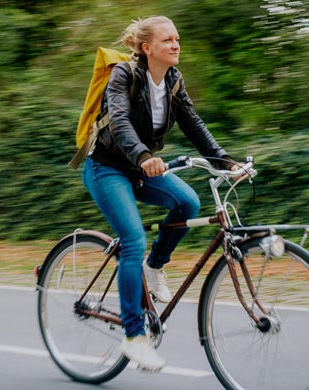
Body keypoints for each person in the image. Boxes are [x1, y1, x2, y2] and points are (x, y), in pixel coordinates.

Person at [82, 16, 239, 371]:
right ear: (146, 47)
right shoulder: (124, 75)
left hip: (141, 166)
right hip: (106, 166)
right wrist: (144, 156)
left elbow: (193, 123)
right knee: (133, 240)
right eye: (168, 40)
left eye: (177, 39)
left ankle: (155, 267)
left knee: (187, 202)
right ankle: (134, 337)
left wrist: (226, 162)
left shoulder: (172, 80)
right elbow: (119, 120)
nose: (176, 44)